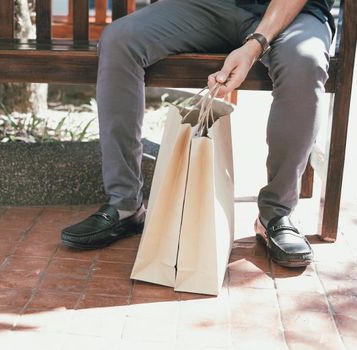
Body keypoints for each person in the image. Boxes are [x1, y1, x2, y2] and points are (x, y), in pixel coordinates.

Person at [61, 0, 335, 268]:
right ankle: (125, 205)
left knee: (305, 62)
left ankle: (276, 214)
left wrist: (254, 45)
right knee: (120, 40)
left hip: (291, 14)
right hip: (207, 6)